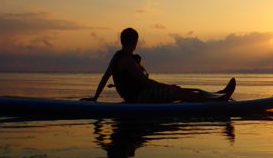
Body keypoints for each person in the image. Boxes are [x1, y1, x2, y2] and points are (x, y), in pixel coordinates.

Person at [84, 28, 236, 103]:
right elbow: (145, 82)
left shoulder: (117, 56)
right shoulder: (127, 60)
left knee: (181, 90)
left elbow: (105, 77)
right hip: (138, 97)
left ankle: (218, 94)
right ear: (135, 42)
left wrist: (95, 97)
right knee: (176, 91)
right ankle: (217, 101)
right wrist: (165, 86)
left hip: (134, 95)